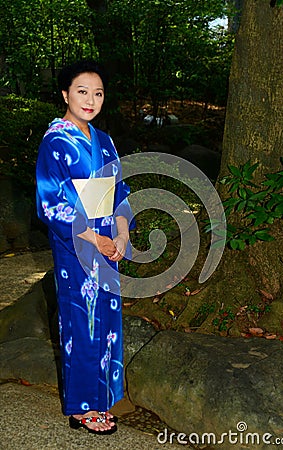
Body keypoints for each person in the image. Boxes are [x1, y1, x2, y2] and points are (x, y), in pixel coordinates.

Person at [36, 60, 134, 435]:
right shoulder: (55, 141)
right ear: (65, 94)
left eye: (98, 93)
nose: (91, 99)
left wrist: (122, 235)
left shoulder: (105, 141)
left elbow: (119, 194)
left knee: (107, 320)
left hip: (109, 242)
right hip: (76, 243)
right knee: (81, 319)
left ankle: (103, 398)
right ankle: (81, 406)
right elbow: (51, 202)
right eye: (82, 91)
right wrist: (93, 237)